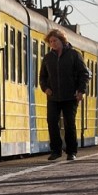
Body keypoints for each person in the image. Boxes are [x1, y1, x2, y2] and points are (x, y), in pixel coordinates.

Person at [39, 28, 90, 161]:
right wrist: (45, 88)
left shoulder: (74, 54)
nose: (53, 44)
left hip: (70, 96)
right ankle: (56, 150)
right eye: (50, 42)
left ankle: (71, 151)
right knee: (52, 122)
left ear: (62, 40)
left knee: (69, 123)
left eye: (55, 40)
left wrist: (81, 90)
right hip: (53, 97)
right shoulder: (48, 58)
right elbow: (42, 76)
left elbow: (84, 74)